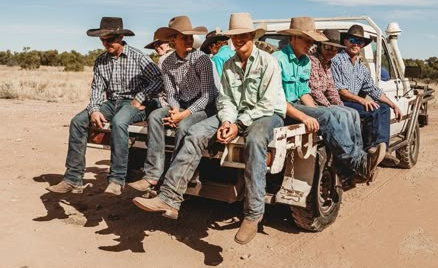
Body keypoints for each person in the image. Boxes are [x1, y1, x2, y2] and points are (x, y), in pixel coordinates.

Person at [132, 13, 287, 246]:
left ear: (252, 36)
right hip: (234, 115)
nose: (239, 39)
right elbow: (225, 100)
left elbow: (265, 104)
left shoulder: (268, 62)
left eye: (243, 35)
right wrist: (226, 121)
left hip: (266, 114)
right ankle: (170, 198)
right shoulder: (228, 64)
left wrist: (237, 125)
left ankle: (253, 214)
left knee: (255, 141)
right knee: (195, 133)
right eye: (235, 36)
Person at [47, 17, 163, 196]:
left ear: (121, 37)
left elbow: (158, 79)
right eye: (103, 39)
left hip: (133, 102)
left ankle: (117, 179)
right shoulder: (101, 60)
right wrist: (94, 109)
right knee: (78, 121)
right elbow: (97, 88)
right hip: (110, 102)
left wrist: (140, 98)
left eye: (110, 39)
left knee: (119, 122)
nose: (106, 43)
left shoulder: (138, 56)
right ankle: (73, 178)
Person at [273, 17, 385, 183]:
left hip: (298, 104)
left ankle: (358, 162)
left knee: (334, 113)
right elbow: (277, 98)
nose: (309, 44)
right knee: (328, 116)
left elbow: (305, 92)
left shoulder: (304, 61)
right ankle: (357, 162)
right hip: (284, 107)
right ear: (293, 38)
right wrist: (315, 114)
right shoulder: (277, 59)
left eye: (311, 40)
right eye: (306, 39)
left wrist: (318, 111)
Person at [128, 16, 218, 192]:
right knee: (154, 116)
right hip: (182, 104)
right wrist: (175, 109)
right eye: (184, 37)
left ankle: (177, 175)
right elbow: (171, 92)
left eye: (190, 36)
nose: (189, 40)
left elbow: (208, 95)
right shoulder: (167, 62)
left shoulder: (202, 59)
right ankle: (152, 174)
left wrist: (182, 115)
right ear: (173, 41)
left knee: (184, 125)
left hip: (204, 106)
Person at [331, 24, 402, 154]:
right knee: (372, 110)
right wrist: (362, 101)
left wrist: (393, 105)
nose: (355, 44)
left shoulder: (361, 67)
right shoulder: (337, 60)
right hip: (339, 102)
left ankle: (383, 148)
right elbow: (340, 90)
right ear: (345, 41)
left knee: (384, 108)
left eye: (359, 41)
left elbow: (373, 90)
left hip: (353, 102)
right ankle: (370, 148)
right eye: (352, 41)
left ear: (362, 45)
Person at [308, 29, 345, 107]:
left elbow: (331, 88)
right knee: (342, 114)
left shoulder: (327, 64)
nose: (331, 51)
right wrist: (329, 106)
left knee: (351, 112)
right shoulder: (312, 60)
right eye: (328, 47)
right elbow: (315, 91)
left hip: (323, 103)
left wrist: (340, 105)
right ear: (320, 45)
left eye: (335, 49)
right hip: (312, 103)